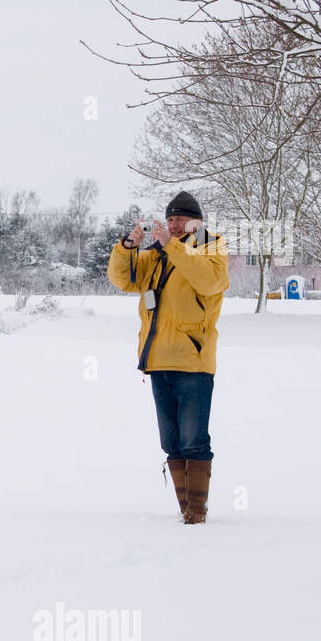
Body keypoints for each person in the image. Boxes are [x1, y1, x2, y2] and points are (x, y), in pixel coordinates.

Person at [107, 191, 230, 524]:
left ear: (197, 221)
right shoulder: (158, 254)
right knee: (171, 441)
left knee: (193, 439)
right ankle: (185, 510)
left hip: (193, 360)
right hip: (158, 359)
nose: (174, 225)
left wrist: (172, 246)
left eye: (181, 219)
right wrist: (128, 247)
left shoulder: (210, 244)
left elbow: (209, 280)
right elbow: (123, 278)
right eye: (170, 219)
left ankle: (197, 514)